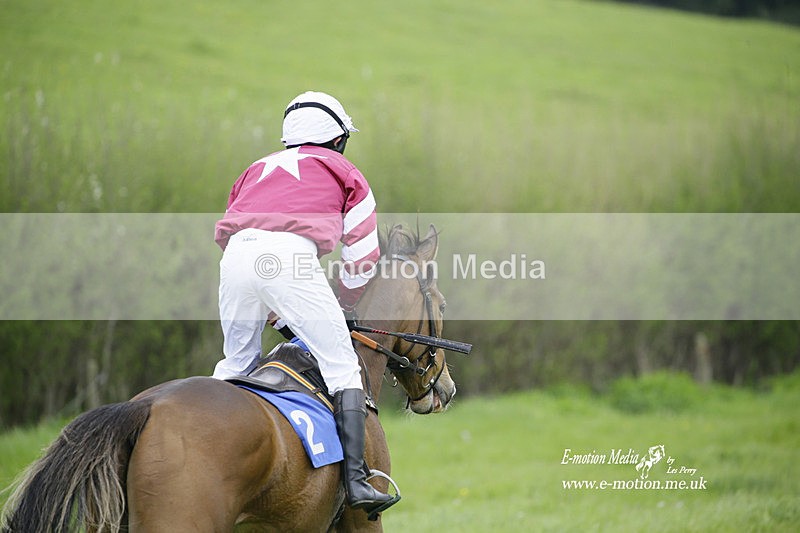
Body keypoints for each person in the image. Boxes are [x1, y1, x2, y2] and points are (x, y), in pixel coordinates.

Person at [212, 91, 392, 514]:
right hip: (291, 259)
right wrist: (342, 304)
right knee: (342, 366)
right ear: (338, 139)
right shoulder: (345, 170)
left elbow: (238, 236)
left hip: (235, 259)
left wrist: (271, 302)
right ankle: (356, 484)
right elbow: (363, 256)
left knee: (236, 364)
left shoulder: (254, 169)